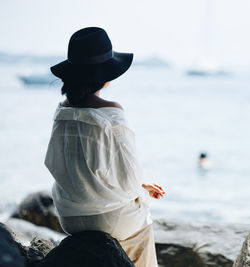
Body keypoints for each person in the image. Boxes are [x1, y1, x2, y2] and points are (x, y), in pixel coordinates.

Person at [44, 27, 165, 267]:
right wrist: (139, 189)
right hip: (108, 220)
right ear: (104, 75)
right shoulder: (111, 113)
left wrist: (141, 183)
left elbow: (73, 167)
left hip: (68, 216)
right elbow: (127, 175)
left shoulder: (62, 112)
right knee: (143, 227)